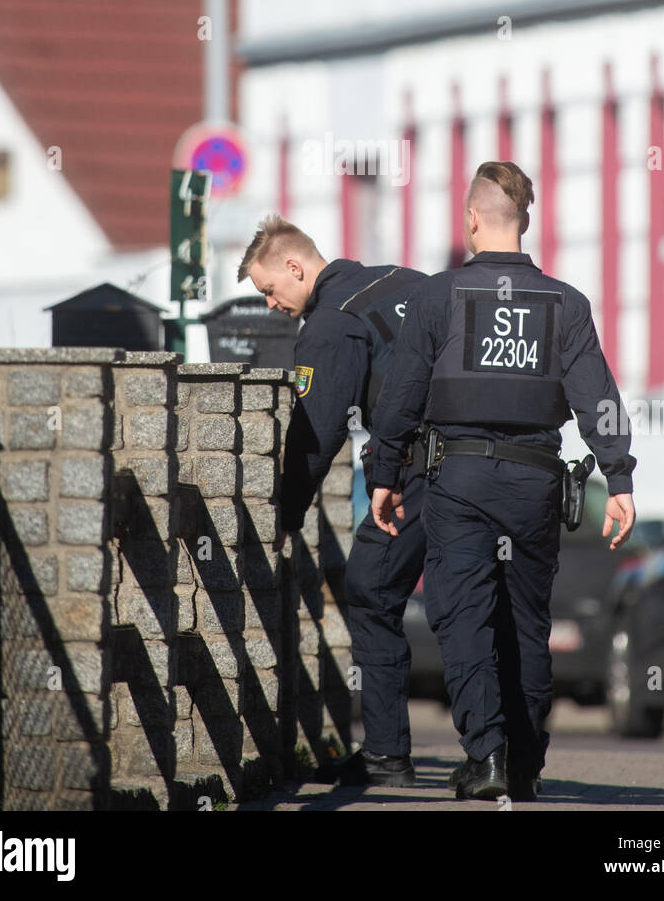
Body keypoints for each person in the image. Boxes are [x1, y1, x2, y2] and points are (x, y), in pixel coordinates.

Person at [369, 162, 637, 802]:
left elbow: (403, 394)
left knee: (463, 617)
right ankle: (524, 765)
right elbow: (598, 397)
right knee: (525, 621)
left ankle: (486, 755)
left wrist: (385, 473)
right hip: (536, 482)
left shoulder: (438, 297)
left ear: (470, 219)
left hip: (460, 481)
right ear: (527, 220)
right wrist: (619, 476)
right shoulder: (565, 304)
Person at [237, 215, 427, 786]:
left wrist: (284, 513)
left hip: (416, 471)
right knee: (476, 600)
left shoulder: (328, 324)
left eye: (269, 289)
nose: (270, 304)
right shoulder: (404, 278)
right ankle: (504, 758)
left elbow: (318, 433)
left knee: (369, 589)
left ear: (296, 268)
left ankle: (388, 756)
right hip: (486, 467)